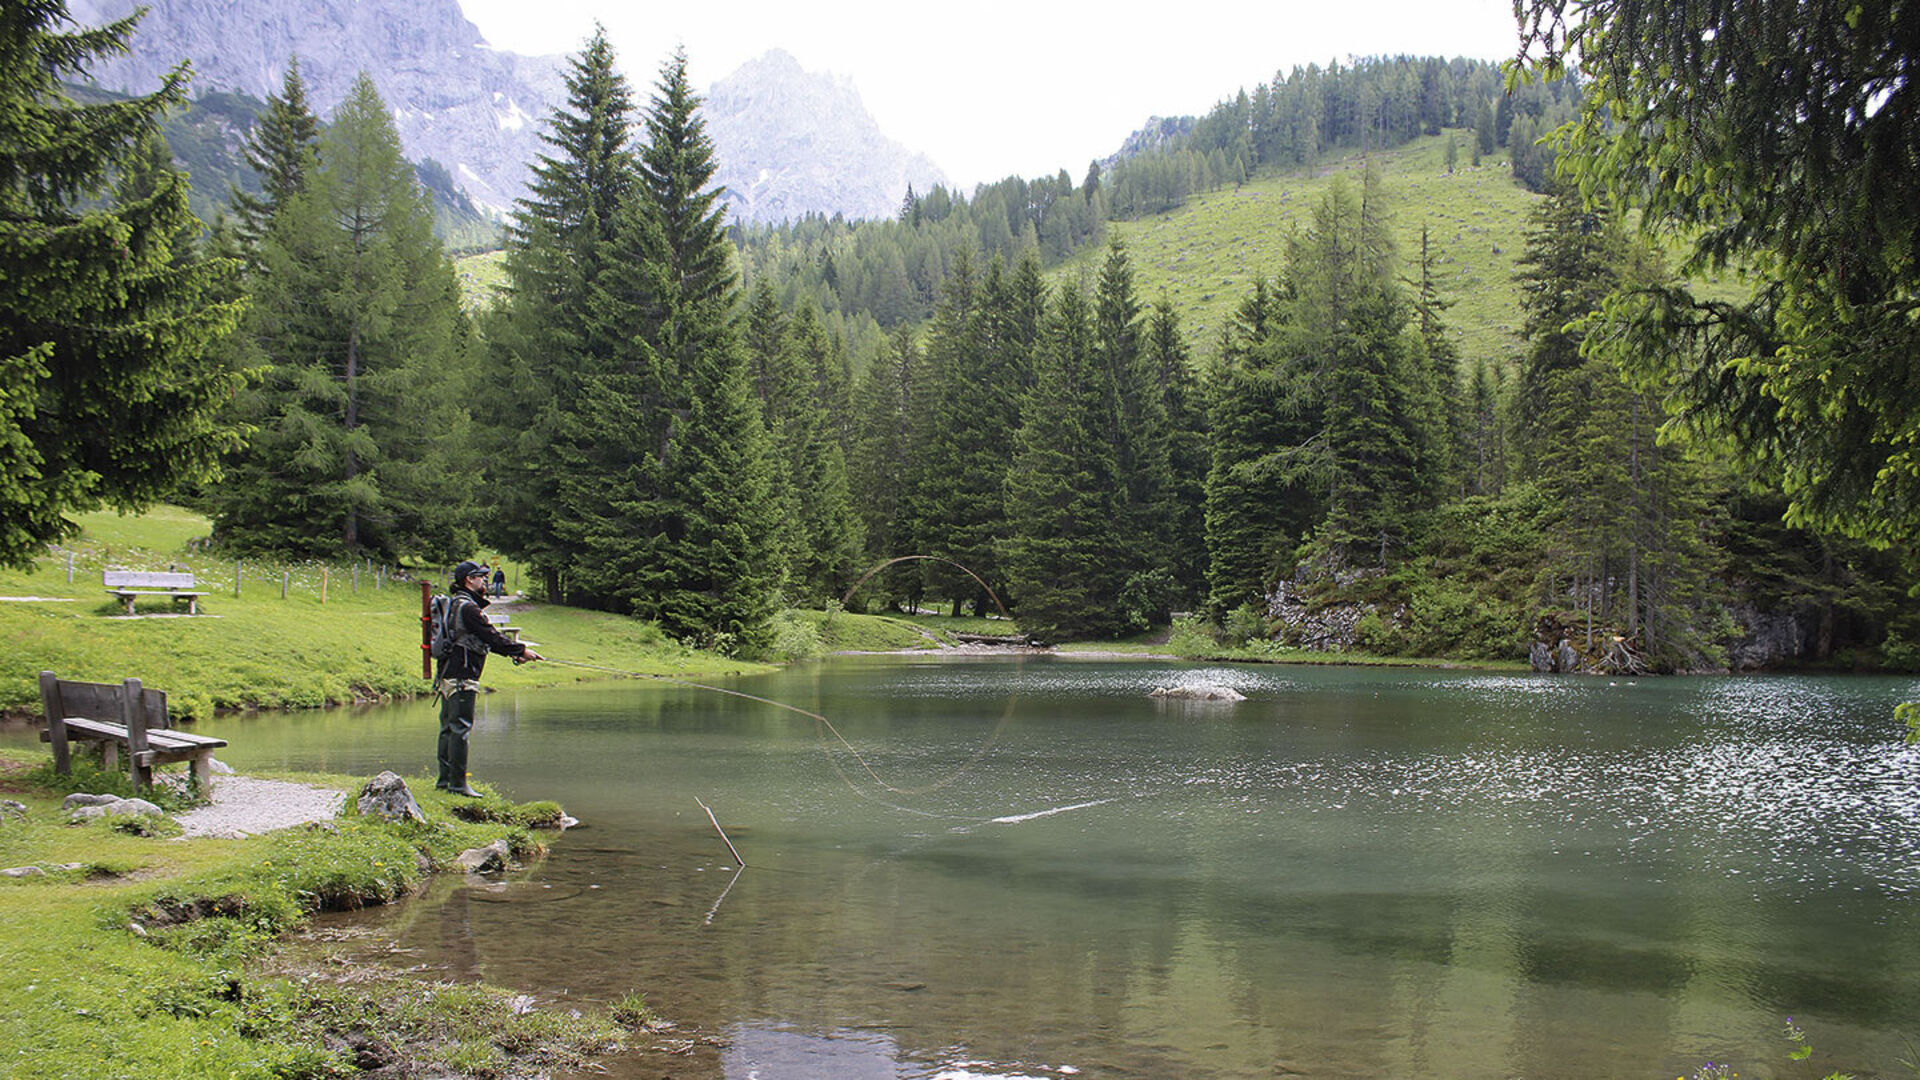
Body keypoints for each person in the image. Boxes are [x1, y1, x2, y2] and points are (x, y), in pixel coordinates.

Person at [435, 560, 542, 796]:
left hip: (447, 673)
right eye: (480, 576)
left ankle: (445, 781)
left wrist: (515, 654)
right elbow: (491, 636)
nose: (484, 580)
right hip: (463, 674)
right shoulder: (469, 608)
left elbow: (483, 640)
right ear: (468, 580)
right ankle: (458, 784)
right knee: (460, 728)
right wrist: (521, 650)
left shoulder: (457, 603)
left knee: (448, 729)